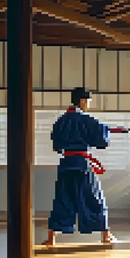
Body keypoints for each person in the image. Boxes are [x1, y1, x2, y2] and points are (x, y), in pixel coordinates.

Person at [42, 87, 117, 246]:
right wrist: (106, 130)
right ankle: (106, 236)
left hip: (66, 164)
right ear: (82, 100)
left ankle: (51, 238)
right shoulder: (86, 119)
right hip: (82, 165)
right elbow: (101, 139)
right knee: (95, 198)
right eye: (88, 101)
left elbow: (56, 145)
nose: (88, 104)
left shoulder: (61, 121)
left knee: (62, 199)